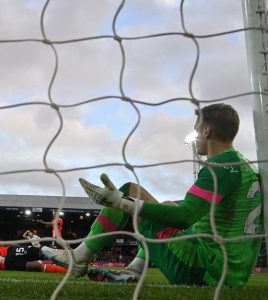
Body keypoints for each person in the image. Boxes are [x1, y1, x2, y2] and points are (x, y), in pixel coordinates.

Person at [49, 104, 263, 287]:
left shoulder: (220, 166)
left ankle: (80, 256)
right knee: (167, 204)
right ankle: (134, 269)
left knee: (127, 190)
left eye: (197, 131)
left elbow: (184, 216)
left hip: (201, 270)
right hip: (231, 274)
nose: (196, 137)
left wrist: (122, 203)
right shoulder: (244, 166)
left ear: (206, 131)